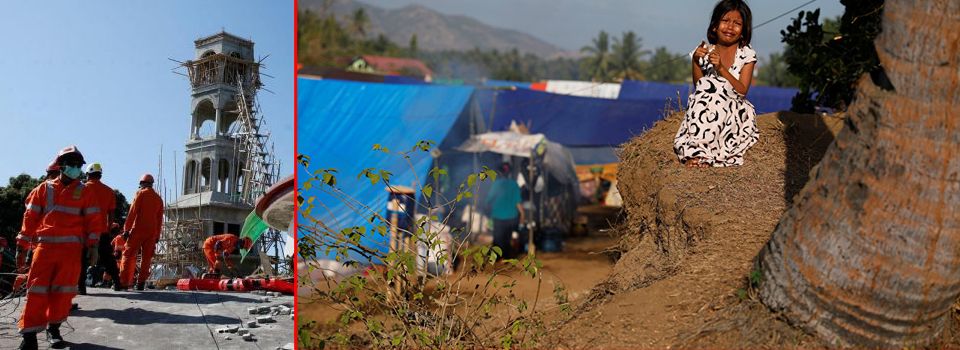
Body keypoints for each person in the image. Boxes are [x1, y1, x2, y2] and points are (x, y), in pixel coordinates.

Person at [16, 146, 102, 349]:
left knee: (63, 295)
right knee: (36, 292)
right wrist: (21, 245)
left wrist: (93, 246)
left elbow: (94, 221)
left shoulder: (85, 191)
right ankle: (29, 337)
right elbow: (29, 220)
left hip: (70, 253)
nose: (75, 169)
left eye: (78, 166)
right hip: (44, 250)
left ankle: (53, 329)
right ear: (61, 166)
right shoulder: (43, 189)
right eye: (71, 165)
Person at [674, 0, 758, 168]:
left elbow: (742, 91)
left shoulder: (746, 54)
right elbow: (700, 87)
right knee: (706, 88)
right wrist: (696, 61)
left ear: (743, 31)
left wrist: (720, 68)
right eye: (725, 21)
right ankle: (696, 153)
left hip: (733, 108)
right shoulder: (706, 52)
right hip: (706, 107)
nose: (730, 27)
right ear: (714, 26)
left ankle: (706, 155)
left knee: (718, 88)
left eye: (737, 23)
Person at [119, 174, 163, 291]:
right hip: (152, 232)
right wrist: (157, 235)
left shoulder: (140, 194)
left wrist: (126, 229)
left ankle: (123, 283)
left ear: (142, 183)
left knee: (128, 255)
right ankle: (141, 283)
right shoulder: (158, 198)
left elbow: (132, 212)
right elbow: (160, 220)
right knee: (146, 258)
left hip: (138, 230)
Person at [79, 163, 118, 293]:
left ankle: (81, 287)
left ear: (87, 174)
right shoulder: (109, 191)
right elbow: (111, 212)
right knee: (108, 258)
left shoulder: (81, 188)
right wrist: (109, 227)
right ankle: (117, 282)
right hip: (102, 231)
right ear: (100, 175)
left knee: (81, 259)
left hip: (84, 231)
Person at [484, 163, 525, 260]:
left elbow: (488, 200)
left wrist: (487, 208)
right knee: (507, 238)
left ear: (499, 172)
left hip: (498, 216)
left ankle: (497, 258)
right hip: (511, 216)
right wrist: (522, 214)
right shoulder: (514, 184)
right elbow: (517, 201)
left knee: (498, 238)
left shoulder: (496, 184)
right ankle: (506, 256)